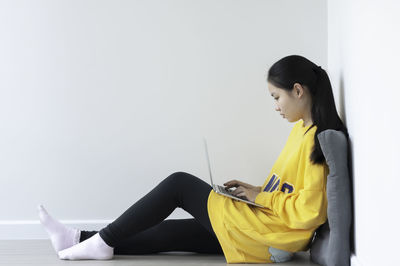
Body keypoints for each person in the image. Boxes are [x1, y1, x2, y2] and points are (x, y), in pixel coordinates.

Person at [37, 55, 349, 263]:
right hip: (264, 225)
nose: (276, 107)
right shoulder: (301, 132)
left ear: (298, 91)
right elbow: (290, 192)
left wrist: (258, 196)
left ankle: (101, 241)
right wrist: (253, 191)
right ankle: (79, 239)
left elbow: (310, 211)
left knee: (179, 184)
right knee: (174, 232)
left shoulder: (319, 140)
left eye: (276, 97)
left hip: (270, 235)